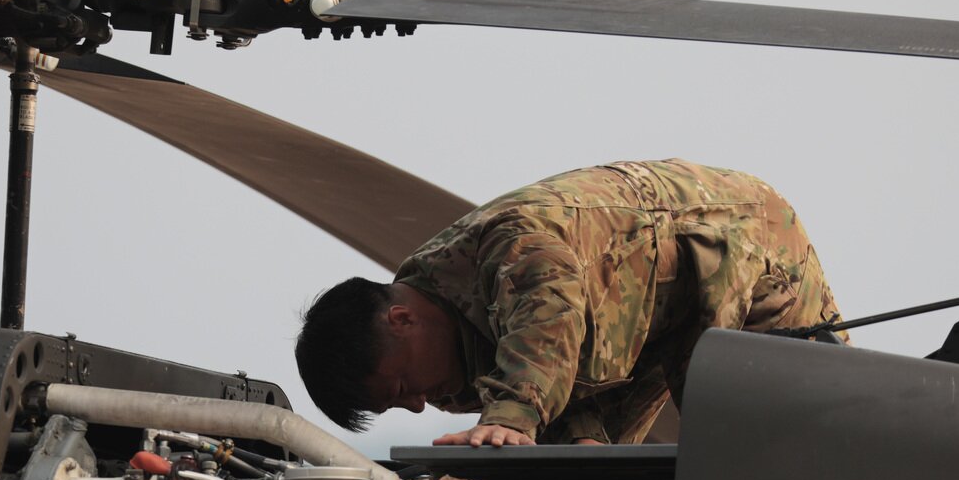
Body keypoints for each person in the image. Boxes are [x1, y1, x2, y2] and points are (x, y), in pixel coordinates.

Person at [295, 159, 846, 446]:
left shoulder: (508, 242)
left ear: (401, 318)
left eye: (400, 389)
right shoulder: (455, 349)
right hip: (654, 317)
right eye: (399, 406)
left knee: (794, 440)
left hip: (742, 244)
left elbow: (551, 312)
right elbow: (572, 373)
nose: (417, 404)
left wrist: (513, 416)